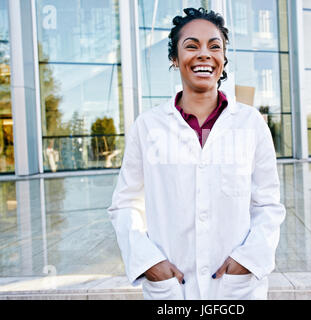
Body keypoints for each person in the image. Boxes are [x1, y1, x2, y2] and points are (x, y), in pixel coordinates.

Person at [108, 7, 286, 300]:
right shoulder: (148, 126)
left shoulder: (251, 123)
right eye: (191, 46)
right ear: (174, 59)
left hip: (236, 289)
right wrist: (150, 263)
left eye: (214, 46)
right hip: (173, 289)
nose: (204, 54)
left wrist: (248, 261)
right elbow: (126, 205)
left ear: (223, 59)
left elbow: (268, 205)